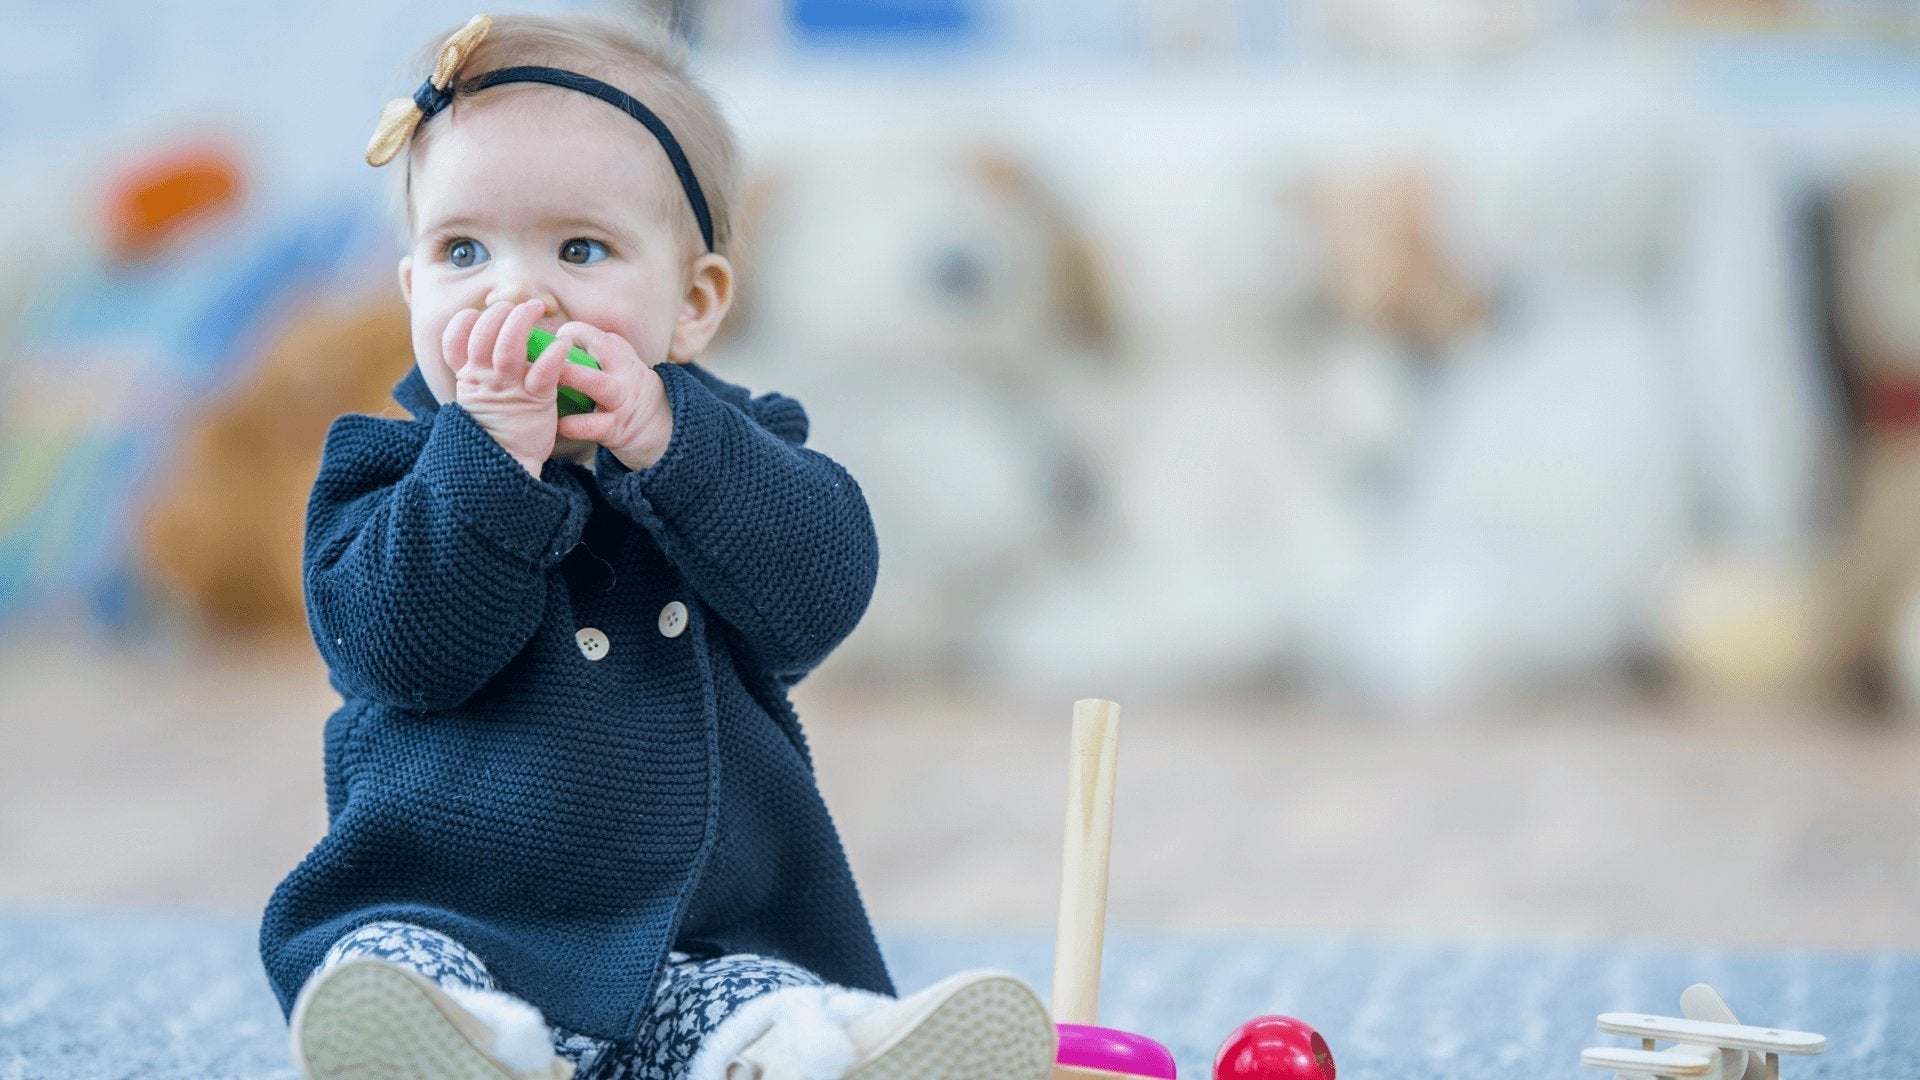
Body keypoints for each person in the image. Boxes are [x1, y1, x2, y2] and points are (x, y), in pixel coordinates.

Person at [257, 13, 1057, 1079]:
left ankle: (816, 1054)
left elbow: (820, 596)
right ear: (411, 291)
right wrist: (489, 464)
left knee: (760, 1002)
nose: (514, 293)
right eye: (461, 251)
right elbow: (402, 653)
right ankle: (470, 1056)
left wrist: (666, 447)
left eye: (579, 249)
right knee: (389, 972)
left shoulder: (732, 456)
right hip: (453, 919)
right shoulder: (385, 479)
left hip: (687, 941)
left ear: (693, 305)